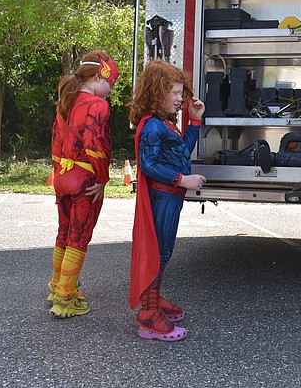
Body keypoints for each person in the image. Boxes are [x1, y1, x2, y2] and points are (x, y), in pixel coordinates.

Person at [128, 60, 206, 342]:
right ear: (155, 93)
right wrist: (181, 180)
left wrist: (194, 120)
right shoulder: (152, 127)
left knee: (163, 251)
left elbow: (182, 152)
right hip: (163, 197)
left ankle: (154, 300)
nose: (179, 98)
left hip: (169, 197)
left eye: (179, 92)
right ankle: (148, 314)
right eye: (173, 93)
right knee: (158, 252)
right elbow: (148, 165)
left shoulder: (163, 125)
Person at [48, 50, 119, 318]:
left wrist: (58, 171)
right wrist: (102, 178)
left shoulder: (67, 100)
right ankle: (65, 298)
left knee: (64, 233)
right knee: (79, 237)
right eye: (110, 82)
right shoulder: (97, 105)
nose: (111, 89)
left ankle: (57, 286)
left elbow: (56, 140)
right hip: (84, 180)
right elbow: (95, 145)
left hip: (63, 177)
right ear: (100, 76)